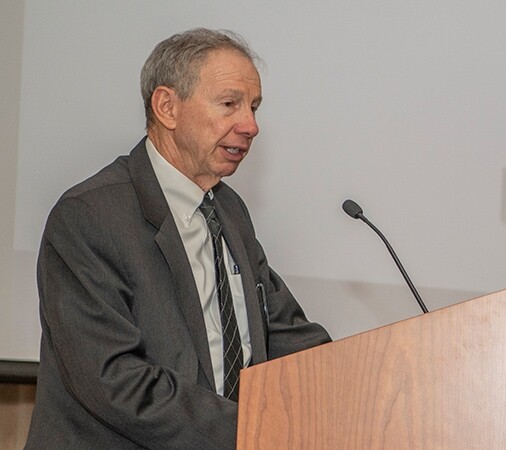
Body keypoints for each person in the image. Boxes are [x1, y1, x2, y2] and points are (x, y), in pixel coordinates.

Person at [25, 28, 331, 449]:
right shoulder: (89, 215)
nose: (251, 126)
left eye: (255, 107)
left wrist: (370, 383)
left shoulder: (229, 211)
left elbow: (283, 333)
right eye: (230, 104)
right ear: (167, 107)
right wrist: (255, 428)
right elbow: (115, 379)